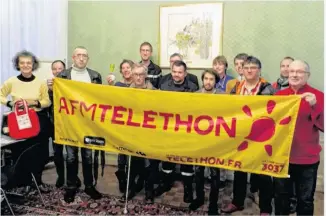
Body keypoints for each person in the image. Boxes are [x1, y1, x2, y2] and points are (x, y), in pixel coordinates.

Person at [222, 56, 275, 215]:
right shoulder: (236, 88)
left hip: (262, 137)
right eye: (246, 68)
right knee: (239, 171)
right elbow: (228, 108)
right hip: (241, 136)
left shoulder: (268, 89)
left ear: (259, 70)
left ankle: (265, 208)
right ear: (242, 70)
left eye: (253, 67)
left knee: (263, 173)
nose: (249, 70)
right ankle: (237, 202)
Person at [51, 46, 103, 203]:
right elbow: (57, 101)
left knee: (88, 157)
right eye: (78, 55)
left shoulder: (95, 76)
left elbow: (99, 99)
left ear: (88, 59)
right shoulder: (63, 76)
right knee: (71, 158)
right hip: (70, 125)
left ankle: (89, 186)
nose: (81, 58)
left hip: (88, 125)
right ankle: (71, 188)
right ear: (73, 58)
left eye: (84, 56)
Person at [274, 60, 324, 216]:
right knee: (281, 199)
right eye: (292, 71)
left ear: (307, 75)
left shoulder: (318, 96)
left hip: (307, 160)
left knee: (305, 200)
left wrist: (315, 106)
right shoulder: (279, 96)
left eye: (299, 72)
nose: (294, 74)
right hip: (282, 158)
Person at [0, 50, 51, 191]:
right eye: (22, 62)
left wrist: (34, 103)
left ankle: (37, 182)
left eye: (29, 62)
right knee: (20, 152)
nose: (25, 65)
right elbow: (1, 95)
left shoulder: (41, 83)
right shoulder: (11, 81)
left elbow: (47, 101)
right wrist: (10, 103)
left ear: (33, 64)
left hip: (38, 120)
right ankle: (21, 184)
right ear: (18, 64)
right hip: (19, 121)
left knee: (39, 153)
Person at [155, 60, 197, 203]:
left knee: (186, 161)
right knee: (167, 159)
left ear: (185, 73)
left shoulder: (193, 88)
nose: (177, 75)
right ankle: (166, 184)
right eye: (174, 72)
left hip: (186, 130)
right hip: (169, 129)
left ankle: (188, 190)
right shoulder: (164, 86)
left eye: (180, 72)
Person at [189, 70, 223, 215]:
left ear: (215, 81)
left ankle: (213, 204)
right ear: (203, 80)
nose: (208, 81)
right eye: (206, 79)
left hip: (215, 140)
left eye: (211, 79)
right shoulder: (195, 95)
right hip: (199, 139)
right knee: (198, 171)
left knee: (214, 173)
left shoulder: (223, 96)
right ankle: (200, 198)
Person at [112, 59, 134, 194]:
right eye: (123, 68)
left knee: (132, 153)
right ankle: (122, 177)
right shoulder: (117, 85)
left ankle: (131, 181)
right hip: (121, 123)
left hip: (134, 124)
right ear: (121, 71)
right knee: (122, 153)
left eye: (128, 67)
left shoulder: (137, 85)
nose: (126, 70)